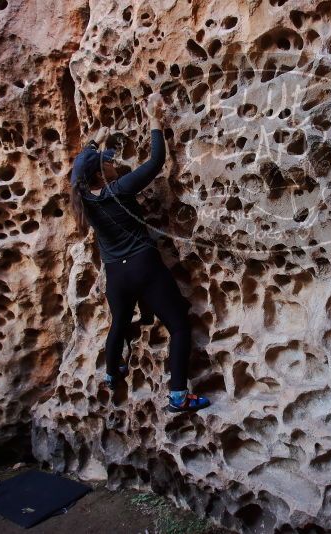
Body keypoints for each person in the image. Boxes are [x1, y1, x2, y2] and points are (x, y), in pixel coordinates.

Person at [69, 93, 210, 413]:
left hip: (116, 275)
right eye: (109, 161)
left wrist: (97, 142)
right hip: (144, 266)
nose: (114, 162)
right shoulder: (119, 189)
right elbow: (156, 161)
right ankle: (178, 396)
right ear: (102, 171)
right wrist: (154, 118)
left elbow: (86, 169)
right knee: (178, 325)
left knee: (119, 320)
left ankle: (111, 371)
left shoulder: (83, 201)